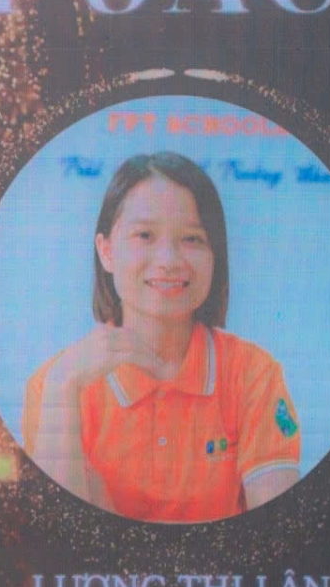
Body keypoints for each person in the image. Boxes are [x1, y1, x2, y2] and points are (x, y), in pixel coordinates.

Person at [21, 152, 301, 522]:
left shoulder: (253, 374)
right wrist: (62, 390)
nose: (168, 260)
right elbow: (58, 535)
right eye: (145, 235)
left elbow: (278, 531)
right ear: (106, 251)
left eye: (192, 238)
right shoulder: (54, 384)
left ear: (215, 256)